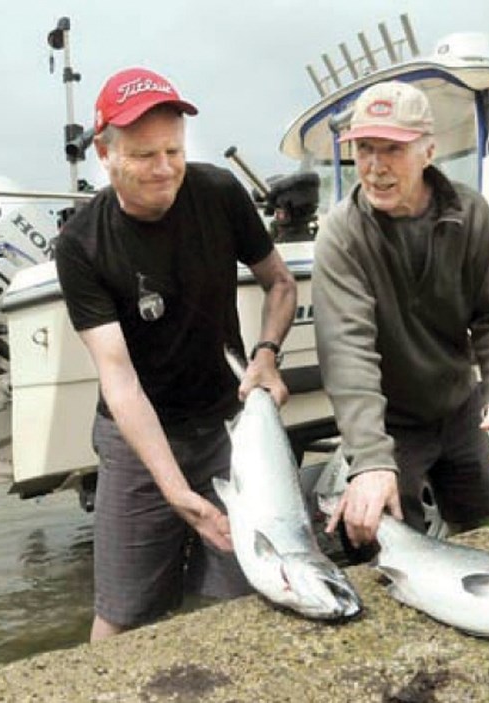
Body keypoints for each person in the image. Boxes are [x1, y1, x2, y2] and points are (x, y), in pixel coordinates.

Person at [54, 67, 296, 641]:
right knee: (121, 614)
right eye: (144, 155)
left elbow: (280, 284)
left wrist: (266, 354)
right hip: (139, 435)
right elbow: (120, 382)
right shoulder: (82, 246)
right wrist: (172, 488)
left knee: (245, 588)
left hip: (225, 426)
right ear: (105, 154)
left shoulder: (217, 192)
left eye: (174, 150)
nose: (165, 169)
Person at [312, 80, 489, 549]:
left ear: (428, 151)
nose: (374, 167)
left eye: (392, 149)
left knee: (485, 540)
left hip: (459, 410)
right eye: (364, 148)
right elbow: (347, 350)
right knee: (383, 550)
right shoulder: (341, 236)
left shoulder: (470, 214)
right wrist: (370, 459)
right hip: (390, 422)